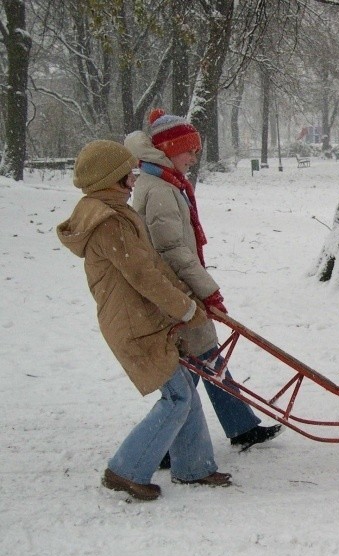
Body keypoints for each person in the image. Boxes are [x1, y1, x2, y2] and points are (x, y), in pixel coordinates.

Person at [57, 140, 231, 501]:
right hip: (134, 324)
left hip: (142, 317)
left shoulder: (114, 211)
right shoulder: (109, 223)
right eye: (128, 175)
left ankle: (194, 466)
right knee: (177, 397)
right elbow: (144, 276)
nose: (134, 181)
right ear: (112, 178)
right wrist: (184, 309)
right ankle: (126, 469)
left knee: (183, 388)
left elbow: (152, 265)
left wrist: (188, 294)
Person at [124, 109, 281, 459]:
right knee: (194, 364)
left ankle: (240, 426)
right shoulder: (161, 189)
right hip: (178, 291)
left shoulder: (163, 182)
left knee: (204, 358)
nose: (194, 158)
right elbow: (173, 250)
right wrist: (207, 289)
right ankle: (166, 444)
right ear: (168, 149)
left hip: (181, 289)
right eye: (189, 151)